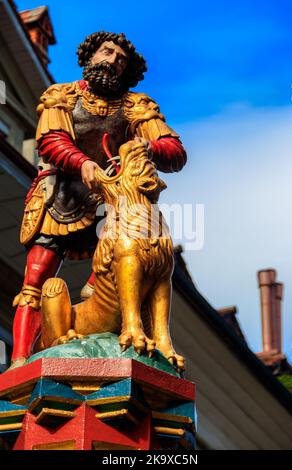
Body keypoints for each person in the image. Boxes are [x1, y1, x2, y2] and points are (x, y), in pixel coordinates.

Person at [11, 31, 187, 368]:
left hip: (110, 205)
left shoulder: (136, 105)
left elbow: (175, 153)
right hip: (59, 197)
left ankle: (126, 338)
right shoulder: (61, 95)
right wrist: (83, 163)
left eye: (121, 60)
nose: (112, 61)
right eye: (107, 53)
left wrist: (147, 146)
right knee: (35, 281)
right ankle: (19, 359)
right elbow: (51, 141)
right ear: (90, 56)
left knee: (121, 271)